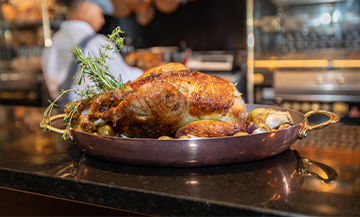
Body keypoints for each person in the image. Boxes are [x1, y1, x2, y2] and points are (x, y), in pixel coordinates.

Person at [41, 0, 143, 108]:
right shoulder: (97, 43)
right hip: (93, 120)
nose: (103, 20)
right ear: (86, 8)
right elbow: (128, 81)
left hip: (63, 116)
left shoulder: (52, 44)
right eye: (101, 13)